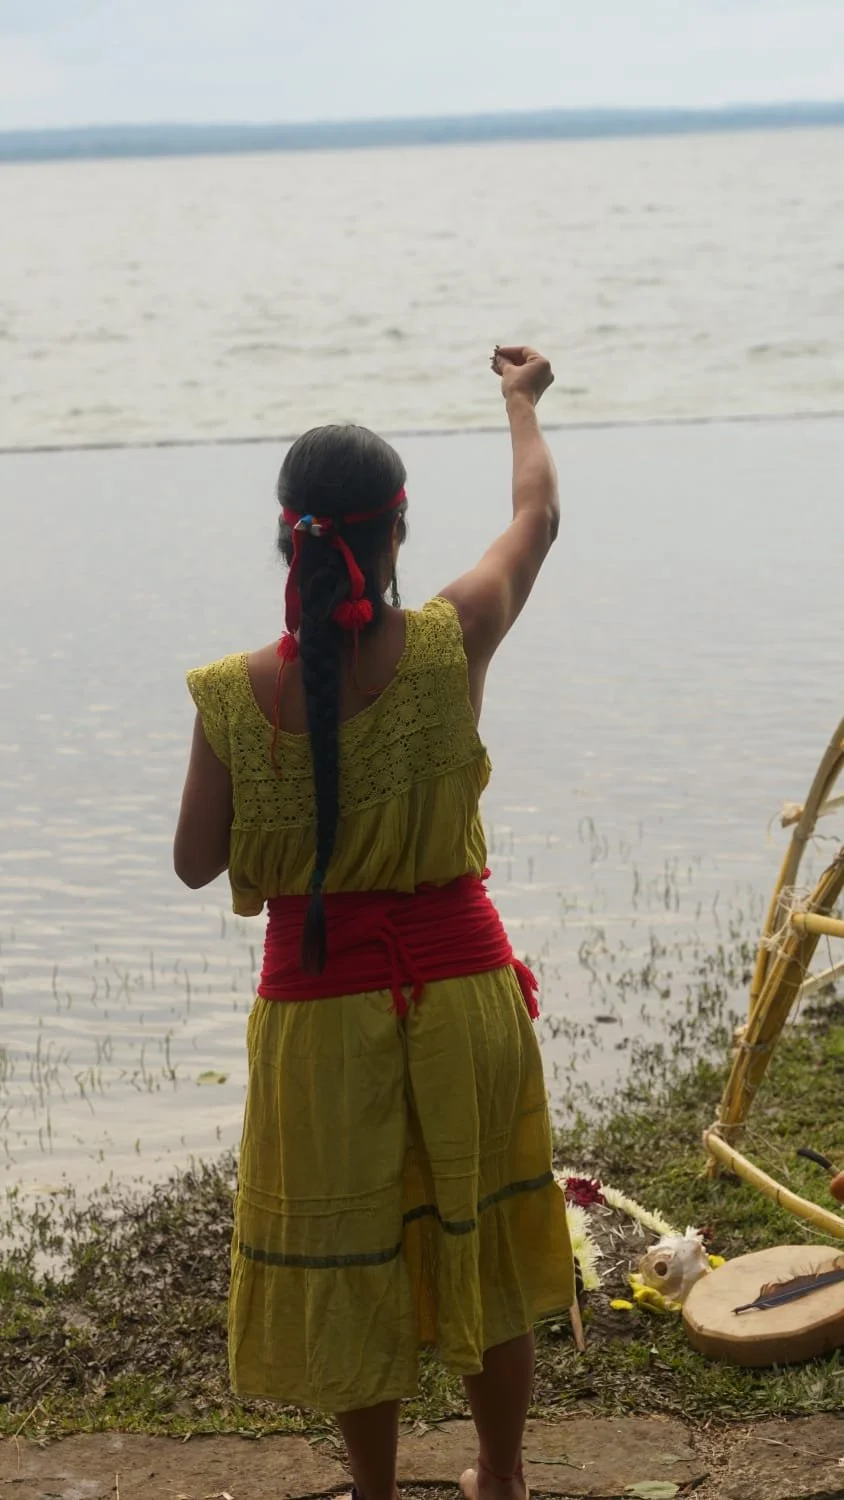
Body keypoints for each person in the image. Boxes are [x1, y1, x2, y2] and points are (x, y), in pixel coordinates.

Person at [174, 346, 574, 1500]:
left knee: (353, 1259)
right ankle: (498, 1477)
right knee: (483, 1242)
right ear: (395, 532)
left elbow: (196, 865)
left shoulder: (228, 697)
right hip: (462, 997)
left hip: (318, 1021)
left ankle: (378, 1491)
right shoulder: (453, 641)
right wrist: (518, 402)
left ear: (289, 537)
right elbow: (537, 516)